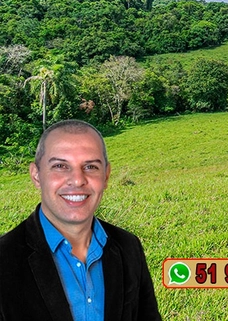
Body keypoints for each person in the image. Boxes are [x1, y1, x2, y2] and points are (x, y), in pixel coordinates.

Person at [0, 119, 162, 321]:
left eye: (91, 167)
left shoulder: (129, 247)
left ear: (106, 176)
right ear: (36, 175)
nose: (77, 180)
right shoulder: (4, 259)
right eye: (60, 166)